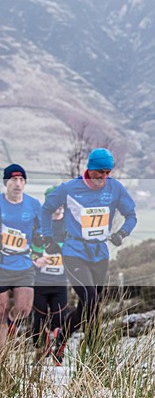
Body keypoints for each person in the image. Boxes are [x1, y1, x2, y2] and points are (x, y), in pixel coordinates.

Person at [41, 148, 137, 361]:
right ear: (90, 169)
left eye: (107, 173)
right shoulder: (69, 189)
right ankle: (95, 354)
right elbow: (46, 210)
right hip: (74, 252)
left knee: (89, 307)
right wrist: (48, 237)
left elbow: (131, 215)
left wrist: (122, 233)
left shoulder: (114, 188)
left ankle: (62, 337)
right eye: (99, 172)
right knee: (90, 298)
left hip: (100, 254)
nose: (103, 178)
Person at [0, 164, 42, 352]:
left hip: (24, 263)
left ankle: (11, 324)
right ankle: (3, 354)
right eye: (13, 180)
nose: (17, 184)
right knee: (0, 309)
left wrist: (39, 254)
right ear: (5, 182)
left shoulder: (33, 205)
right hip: (2, 264)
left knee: (24, 308)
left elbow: (44, 231)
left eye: (21, 180)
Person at [30, 186, 70, 364]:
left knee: (60, 319)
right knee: (37, 320)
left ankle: (58, 351)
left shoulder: (69, 226)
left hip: (60, 282)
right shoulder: (38, 225)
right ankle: (41, 348)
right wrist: (36, 258)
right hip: (39, 281)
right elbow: (28, 248)